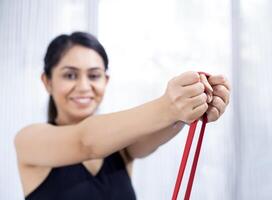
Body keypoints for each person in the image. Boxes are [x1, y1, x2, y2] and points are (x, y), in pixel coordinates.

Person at [14, 32, 230, 200]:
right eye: (70, 75)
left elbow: (161, 127)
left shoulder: (121, 147)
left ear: (105, 81)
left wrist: (190, 107)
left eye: (94, 75)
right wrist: (169, 106)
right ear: (47, 81)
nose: (83, 86)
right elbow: (85, 142)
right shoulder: (29, 139)